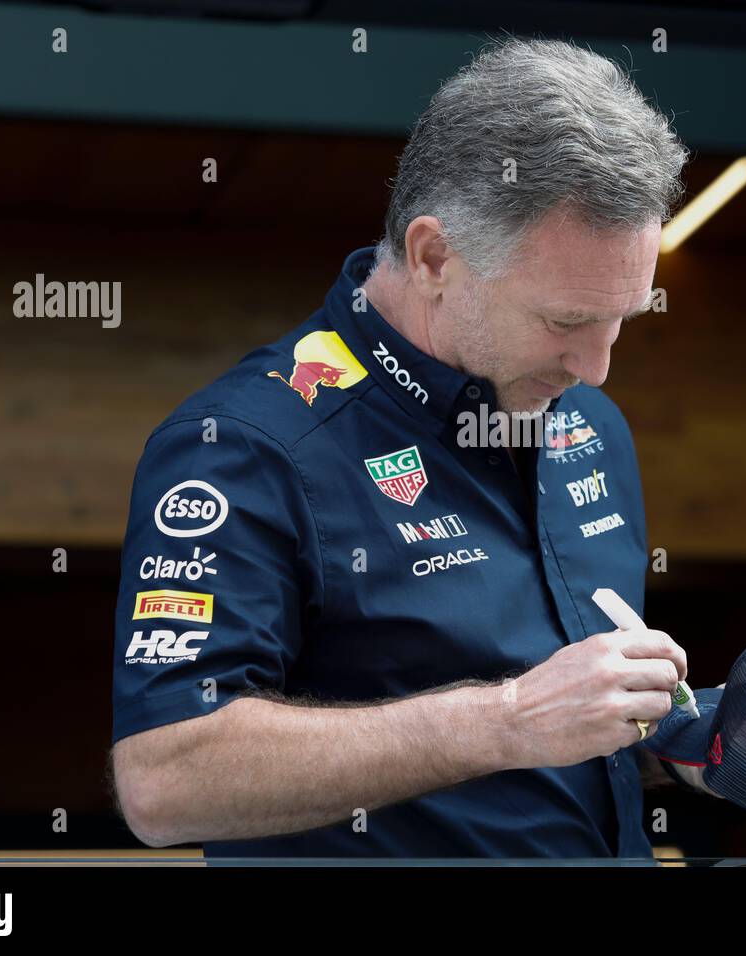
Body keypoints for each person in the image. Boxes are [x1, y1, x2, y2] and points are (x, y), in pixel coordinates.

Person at [110, 35, 693, 858]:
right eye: (565, 322)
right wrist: (507, 722)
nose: (595, 368)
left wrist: (711, 741)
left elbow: (572, 747)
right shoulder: (245, 447)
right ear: (433, 256)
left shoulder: (589, 426)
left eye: (622, 322)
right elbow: (166, 782)